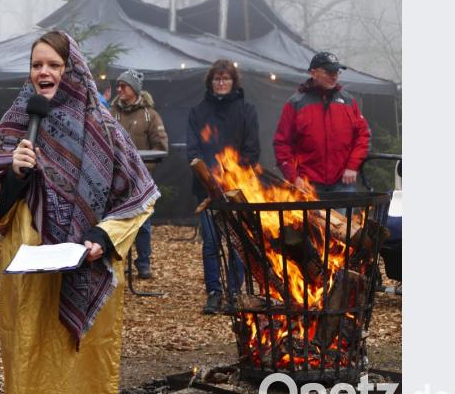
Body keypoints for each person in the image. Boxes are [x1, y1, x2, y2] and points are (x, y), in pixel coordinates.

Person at [0, 31, 159, 394]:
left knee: (82, 378)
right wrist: (15, 178)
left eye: (53, 65)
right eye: (37, 65)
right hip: (28, 279)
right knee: (29, 369)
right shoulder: (14, 126)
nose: (44, 72)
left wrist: (102, 238)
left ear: (71, 70)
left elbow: (140, 198)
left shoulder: (105, 129)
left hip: (86, 268)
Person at [186, 59, 260, 314]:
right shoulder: (198, 112)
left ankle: (233, 293)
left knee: (237, 243)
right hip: (207, 189)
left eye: (225, 78)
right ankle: (214, 293)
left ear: (233, 81)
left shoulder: (247, 110)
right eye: (217, 79)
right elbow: (193, 150)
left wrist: (232, 174)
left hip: (237, 189)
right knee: (211, 242)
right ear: (211, 82)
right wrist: (209, 177)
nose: (221, 83)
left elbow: (252, 149)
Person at [273, 51, 371, 195]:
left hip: (342, 182)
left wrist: (352, 166)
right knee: (310, 219)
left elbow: (363, 136)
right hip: (307, 184)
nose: (334, 76)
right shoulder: (295, 103)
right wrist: (293, 177)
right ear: (313, 73)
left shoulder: (349, 102)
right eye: (329, 72)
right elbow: (282, 143)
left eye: (336, 72)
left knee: (343, 219)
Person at [110, 69, 169, 279]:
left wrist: (142, 169)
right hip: (114, 180)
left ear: (134, 89)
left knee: (143, 223)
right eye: (118, 86)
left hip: (141, 180)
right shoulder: (110, 113)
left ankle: (143, 263)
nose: (119, 89)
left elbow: (161, 147)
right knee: (113, 222)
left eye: (123, 86)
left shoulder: (150, 116)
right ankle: (113, 263)